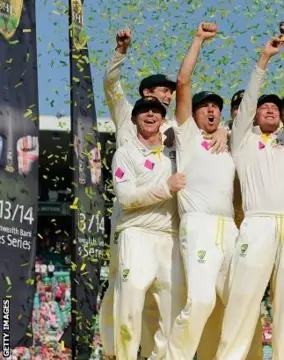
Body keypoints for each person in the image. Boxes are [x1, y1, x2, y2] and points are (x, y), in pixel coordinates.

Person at [216, 37, 284, 360]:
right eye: (262, 107)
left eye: (274, 107)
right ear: (252, 115)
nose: (268, 109)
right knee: (243, 298)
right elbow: (252, 96)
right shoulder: (241, 140)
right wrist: (264, 60)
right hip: (257, 224)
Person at [161, 22, 238, 360]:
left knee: (235, 302)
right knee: (202, 300)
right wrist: (198, 40)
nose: (211, 110)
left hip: (231, 229)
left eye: (215, 107)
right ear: (191, 115)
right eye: (205, 106)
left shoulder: (231, 139)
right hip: (200, 224)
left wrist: (227, 131)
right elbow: (183, 83)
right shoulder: (187, 136)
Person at [101, 28, 177, 360]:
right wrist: (120, 52)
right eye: (163, 90)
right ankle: (114, 352)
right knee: (123, 287)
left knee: (161, 298)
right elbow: (111, 86)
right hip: (129, 220)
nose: (168, 96)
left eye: (171, 93)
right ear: (146, 92)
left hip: (166, 226)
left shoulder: (174, 128)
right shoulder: (126, 116)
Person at [111, 96, 186, 360]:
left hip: (170, 237)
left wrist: (223, 131)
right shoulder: (125, 153)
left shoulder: (175, 153)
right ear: (134, 119)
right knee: (129, 307)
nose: (151, 114)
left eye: (156, 111)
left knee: (172, 314)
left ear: (163, 119)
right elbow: (126, 198)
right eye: (144, 111)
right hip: (136, 234)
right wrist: (166, 188)